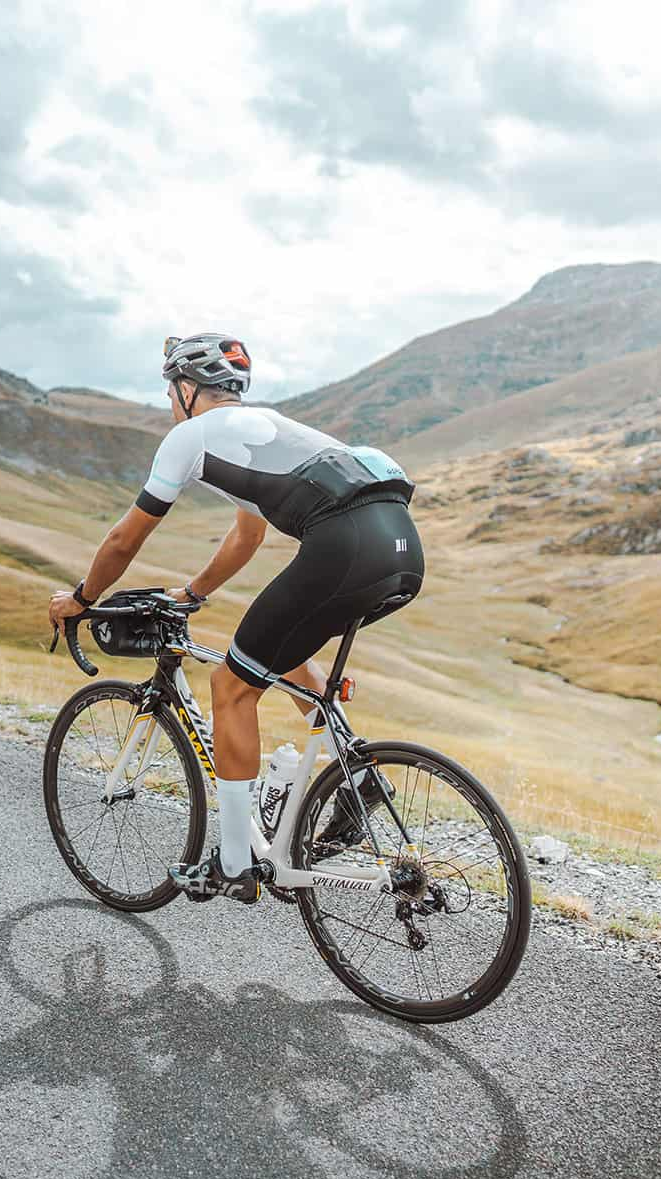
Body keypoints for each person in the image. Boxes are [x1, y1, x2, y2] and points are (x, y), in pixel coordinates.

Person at [46, 333, 425, 903]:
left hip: (343, 546)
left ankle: (232, 864)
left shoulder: (189, 437)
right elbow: (249, 533)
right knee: (285, 649)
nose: (171, 404)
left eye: (170, 391)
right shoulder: (265, 432)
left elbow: (126, 538)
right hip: (400, 549)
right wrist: (195, 592)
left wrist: (82, 595)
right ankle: (357, 776)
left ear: (186, 388)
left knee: (230, 686)